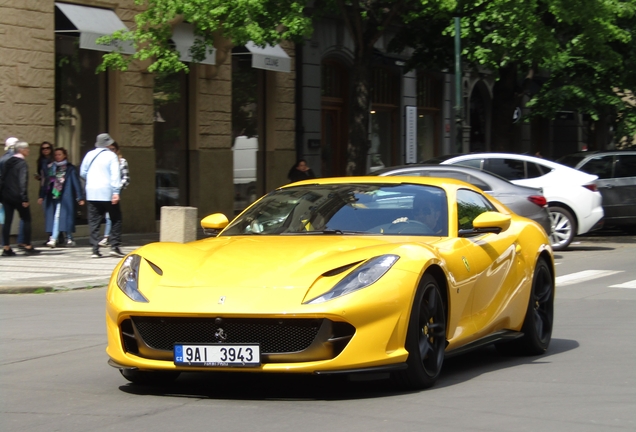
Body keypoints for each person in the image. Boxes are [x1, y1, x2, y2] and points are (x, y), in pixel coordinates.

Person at [80, 133, 124, 259]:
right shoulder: (111, 156)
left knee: (94, 221)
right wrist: (116, 191)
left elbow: (83, 172)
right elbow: (115, 175)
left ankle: (95, 249)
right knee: (116, 218)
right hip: (107, 192)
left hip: (92, 192)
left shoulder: (89, 154)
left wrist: (92, 180)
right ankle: (114, 246)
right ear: (108, 143)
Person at [38, 148, 85, 247]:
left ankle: (57, 238)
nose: (57, 156)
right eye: (55, 155)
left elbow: (76, 183)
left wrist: (80, 197)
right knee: (57, 216)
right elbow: (46, 183)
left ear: (64, 155)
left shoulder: (70, 168)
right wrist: (42, 196)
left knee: (60, 216)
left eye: (59, 154)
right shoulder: (51, 167)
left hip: (65, 195)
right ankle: (65, 237)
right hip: (53, 195)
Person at [0, 141, 40, 256]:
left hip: (6, 196)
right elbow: (23, 181)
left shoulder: (8, 162)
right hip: (18, 196)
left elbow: (2, 179)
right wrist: (24, 198)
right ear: (21, 150)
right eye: (27, 149)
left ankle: (6, 247)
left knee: (7, 221)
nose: (29, 151)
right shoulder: (22, 163)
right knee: (26, 219)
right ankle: (28, 245)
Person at [99, 141, 130, 247]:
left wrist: (118, 187)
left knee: (110, 215)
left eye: (113, 149)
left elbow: (126, 178)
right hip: (105, 190)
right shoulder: (104, 161)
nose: (110, 151)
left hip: (115, 191)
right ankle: (112, 236)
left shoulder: (121, 161)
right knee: (108, 214)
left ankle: (108, 237)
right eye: (108, 149)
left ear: (117, 150)